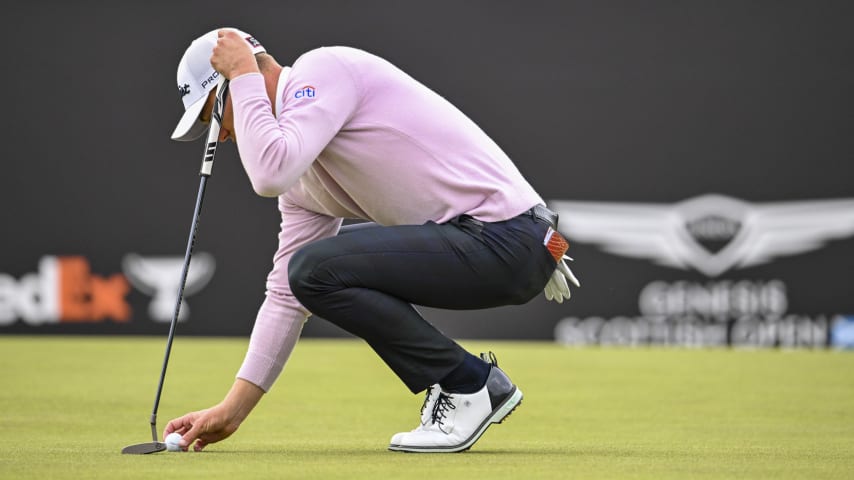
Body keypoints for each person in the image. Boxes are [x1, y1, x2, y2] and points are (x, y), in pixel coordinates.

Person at [163, 27, 579, 453]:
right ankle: (466, 382)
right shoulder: (302, 182)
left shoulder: (321, 70)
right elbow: (288, 295)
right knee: (308, 272)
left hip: (511, 237)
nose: (224, 136)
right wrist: (232, 410)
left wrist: (243, 74)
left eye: (212, 117)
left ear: (236, 79)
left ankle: (469, 386)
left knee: (313, 267)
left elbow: (268, 172)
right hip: (497, 240)